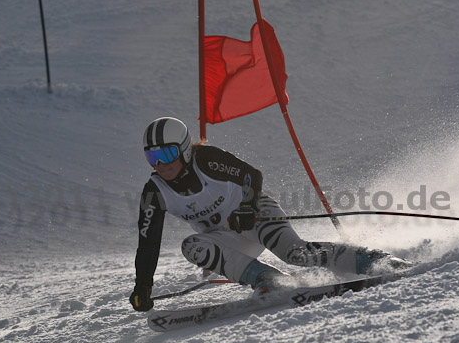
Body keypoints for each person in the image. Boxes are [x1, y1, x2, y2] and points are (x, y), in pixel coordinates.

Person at [130, 117, 409, 311]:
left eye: (166, 154)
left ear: (183, 150)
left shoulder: (206, 159)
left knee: (297, 254)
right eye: (152, 157)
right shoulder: (154, 191)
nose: (160, 164)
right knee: (191, 246)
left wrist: (247, 208)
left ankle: (371, 259)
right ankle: (268, 281)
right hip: (229, 238)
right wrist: (143, 286)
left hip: (257, 216)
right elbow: (149, 241)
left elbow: (251, 175)